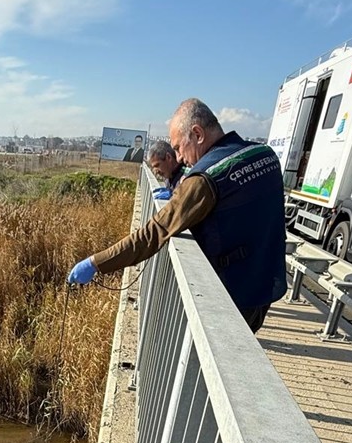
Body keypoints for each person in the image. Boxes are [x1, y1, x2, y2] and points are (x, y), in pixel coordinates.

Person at [69, 99, 287, 333]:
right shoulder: (264, 154)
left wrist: (96, 263)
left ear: (197, 134)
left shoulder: (205, 178)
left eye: (179, 147)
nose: (180, 158)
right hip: (267, 279)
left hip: (234, 293)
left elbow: (152, 234)